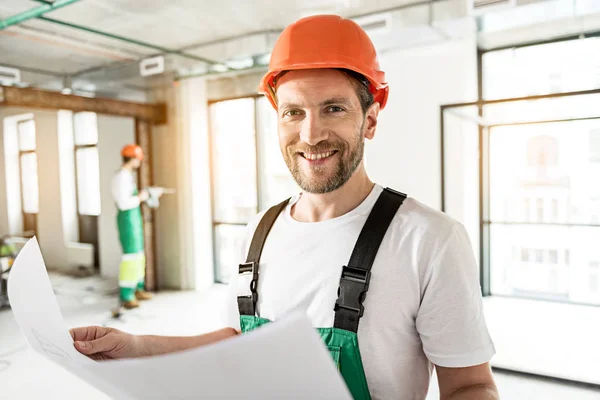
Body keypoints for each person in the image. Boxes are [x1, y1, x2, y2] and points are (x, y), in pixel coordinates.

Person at [71, 15, 499, 399]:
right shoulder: (261, 228)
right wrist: (137, 348)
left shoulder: (429, 239)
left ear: (369, 120)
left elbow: (471, 386)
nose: (311, 135)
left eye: (333, 108)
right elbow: (239, 339)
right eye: (293, 112)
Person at [111, 144, 162, 309]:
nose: (139, 162)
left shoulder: (127, 176)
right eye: (138, 159)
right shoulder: (120, 178)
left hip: (134, 220)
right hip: (127, 221)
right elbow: (124, 203)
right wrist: (141, 197)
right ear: (132, 159)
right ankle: (126, 294)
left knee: (139, 256)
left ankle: (137, 288)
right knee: (130, 258)